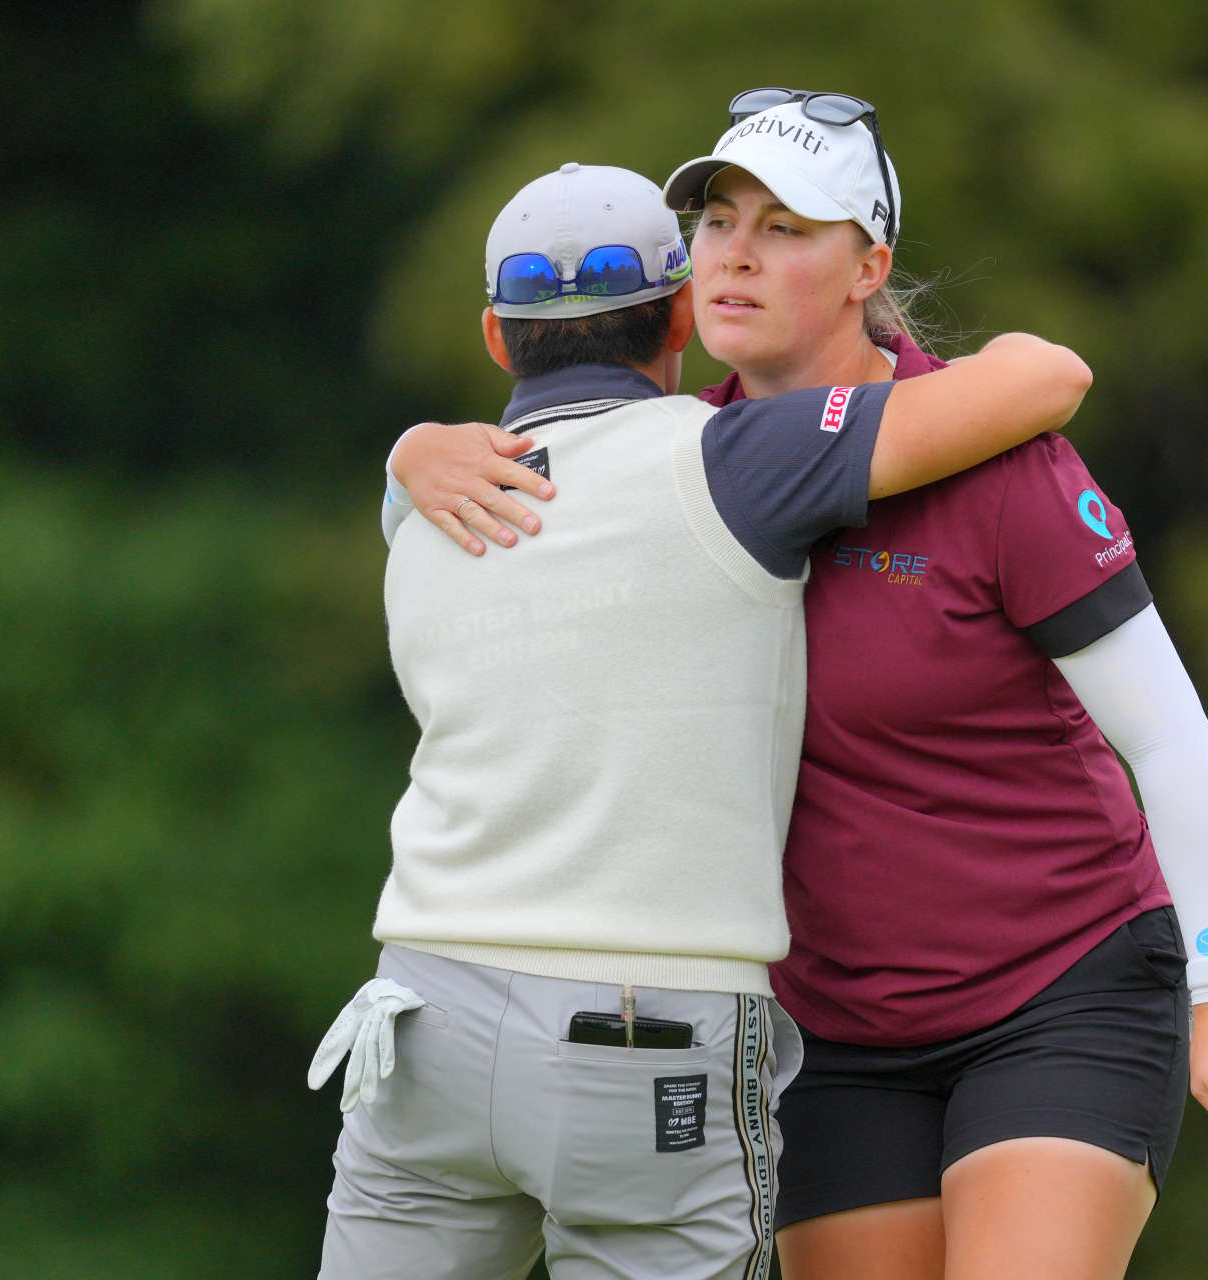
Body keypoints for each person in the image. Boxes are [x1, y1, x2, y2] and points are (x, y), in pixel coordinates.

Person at [387, 90, 1208, 1280]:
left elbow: (1168, 738)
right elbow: (494, 524)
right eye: (714, 223)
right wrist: (412, 454)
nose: (737, 254)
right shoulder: (673, 464)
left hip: (1060, 987)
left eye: (788, 227)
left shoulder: (999, 461)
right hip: (830, 1032)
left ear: (871, 264)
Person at [308, 158, 1093, 1280]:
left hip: (422, 1009)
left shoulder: (423, 512)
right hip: (643, 1029)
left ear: (495, 338)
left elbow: (407, 482)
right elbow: (1039, 383)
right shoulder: (733, 461)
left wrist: (403, 447)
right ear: (681, 311)